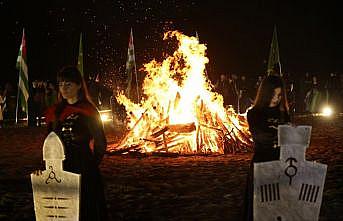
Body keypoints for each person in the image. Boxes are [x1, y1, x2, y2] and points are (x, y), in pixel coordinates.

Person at [45, 66, 108, 221]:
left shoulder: (89, 111)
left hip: (83, 165)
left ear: (79, 85)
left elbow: (100, 142)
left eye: (68, 84)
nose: (63, 89)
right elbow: (49, 141)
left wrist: (92, 165)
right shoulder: (55, 112)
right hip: (59, 165)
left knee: (86, 209)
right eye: (61, 85)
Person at [243, 75, 290, 221]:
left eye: (280, 95)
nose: (277, 99)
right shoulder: (254, 113)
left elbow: (290, 138)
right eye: (273, 94)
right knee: (260, 207)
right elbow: (260, 137)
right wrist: (281, 133)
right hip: (262, 162)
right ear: (265, 93)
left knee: (278, 207)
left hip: (281, 163)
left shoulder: (283, 113)